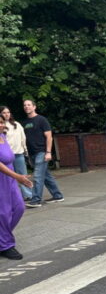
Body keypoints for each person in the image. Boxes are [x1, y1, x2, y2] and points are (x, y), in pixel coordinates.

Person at [0, 119, 34, 260]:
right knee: (3, 212)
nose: (2, 124)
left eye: (2, 122)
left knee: (19, 207)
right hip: (2, 178)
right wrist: (17, 176)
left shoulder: (3, 136)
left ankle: (3, 237)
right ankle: (5, 245)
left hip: (10, 177)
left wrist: (17, 177)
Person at [22, 99, 64, 207]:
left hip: (42, 151)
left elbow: (49, 137)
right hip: (32, 153)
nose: (27, 107)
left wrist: (48, 152)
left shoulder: (41, 120)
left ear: (34, 107)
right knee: (46, 176)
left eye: (29, 105)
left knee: (37, 176)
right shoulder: (24, 123)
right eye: (25, 105)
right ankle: (58, 195)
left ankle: (36, 200)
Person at [1, 106, 33, 201]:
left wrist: (25, 149)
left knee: (22, 174)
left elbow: (23, 137)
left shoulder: (17, 124)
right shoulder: (2, 126)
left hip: (18, 153)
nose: (6, 114)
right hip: (6, 156)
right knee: (8, 176)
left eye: (8, 112)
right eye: (4, 112)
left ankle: (28, 195)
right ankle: (10, 195)